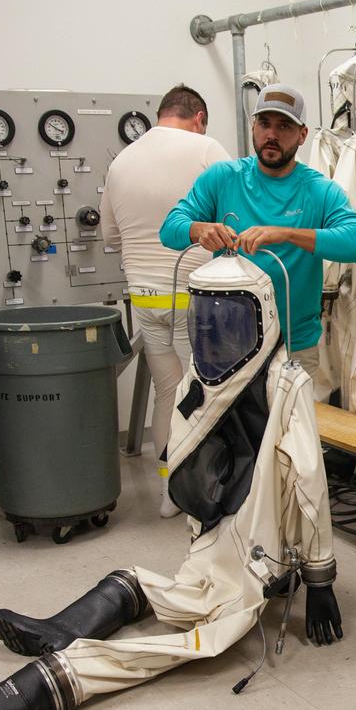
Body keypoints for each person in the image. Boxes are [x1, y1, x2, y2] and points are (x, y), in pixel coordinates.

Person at [0, 252, 343, 710]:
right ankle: (58, 631)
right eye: (206, 318)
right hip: (215, 547)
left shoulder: (285, 383)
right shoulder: (202, 380)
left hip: (255, 567)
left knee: (175, 644)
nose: (215, 331)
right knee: (137, 580)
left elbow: (310, 488)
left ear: (261, 316)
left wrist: (319, 581)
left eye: (227, 319)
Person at [159, 83, 356, 377]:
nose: (271, 135)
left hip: (294, 347)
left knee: (292, 424)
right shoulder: (223, 178)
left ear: (302, 135)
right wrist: (199, 230)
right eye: (264, 123)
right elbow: (170, 228)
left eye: (284, 126)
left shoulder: (319, 190)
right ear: (253, 127)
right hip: (227, 346)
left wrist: (286, 233)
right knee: (232, 424)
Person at [100, 84, 230, 517]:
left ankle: (168, 494)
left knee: (167, 393)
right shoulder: (206, 148)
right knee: (211, 396)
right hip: (196, 298)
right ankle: (208, 492)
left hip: (145, 299)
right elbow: (240, 218)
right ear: (199, 117)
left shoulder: (121, 161)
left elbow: (110, 237)